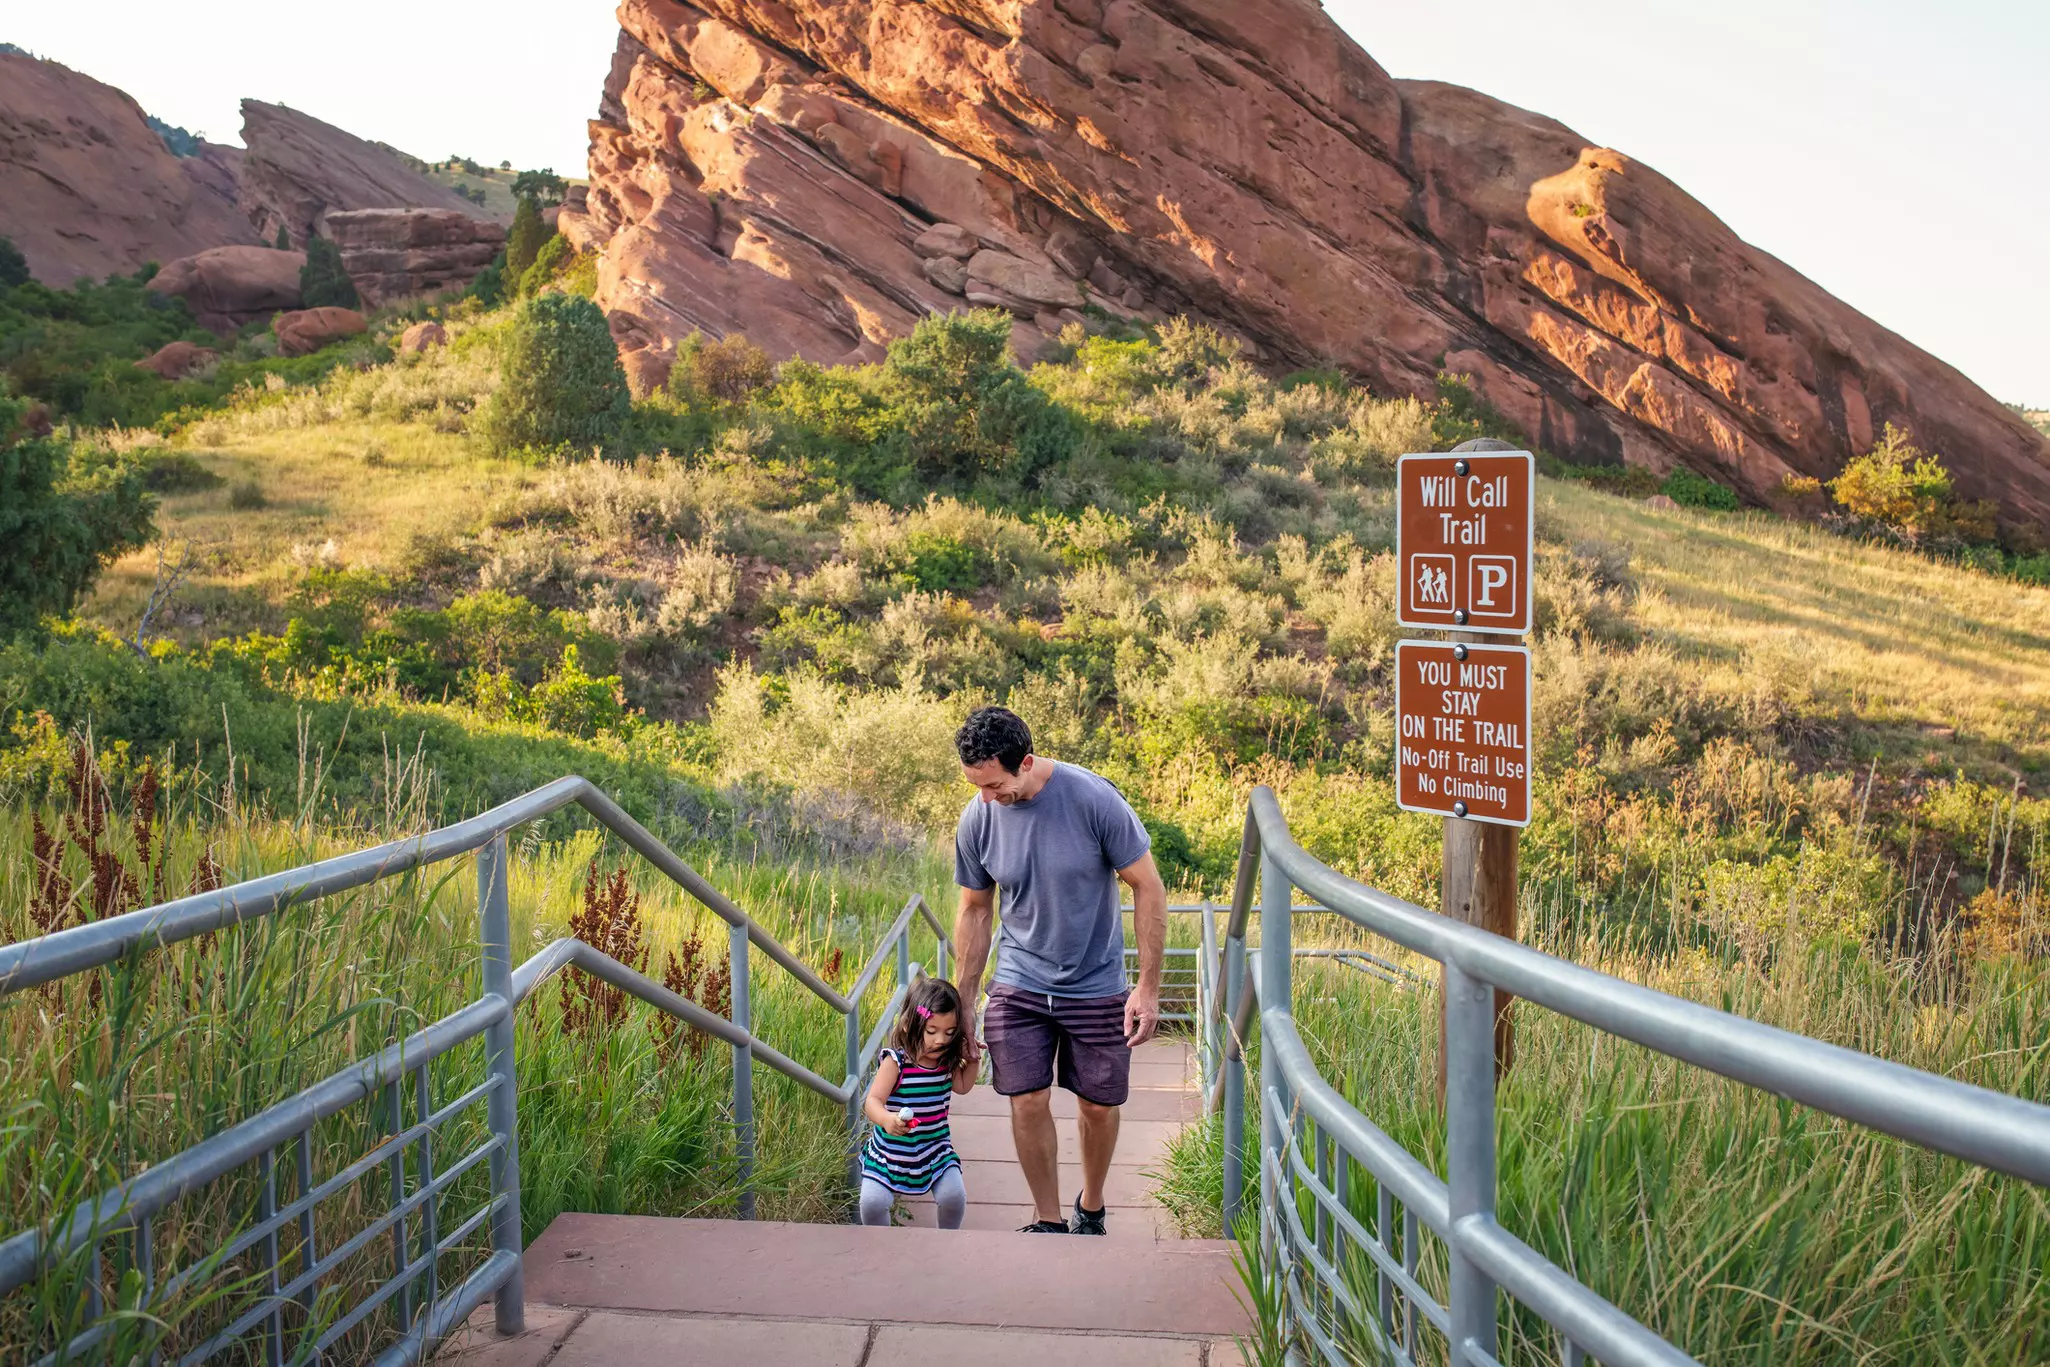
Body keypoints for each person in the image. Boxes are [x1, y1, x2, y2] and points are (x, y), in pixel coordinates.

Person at [950, 705, 1168, 1235]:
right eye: (976, 786)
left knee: (1097, 1107)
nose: (986, 798)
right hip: (1020, 981)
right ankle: (1048, 1220)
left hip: (1095, 985)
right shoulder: (978, 818)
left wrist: (1146, 987)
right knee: (1026, 1098)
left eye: (995, 785)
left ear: (1026, 762)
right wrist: (963, 1002)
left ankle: (1090, 1207)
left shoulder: (1094, 799)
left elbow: (1148, 886)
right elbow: (976, 909)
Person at [857, 976, 977, 1228]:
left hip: (935, 1150)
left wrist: (973, 1059)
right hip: (890, 1153)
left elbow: (963, 1086)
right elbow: (872, 1101)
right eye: (931, 1031)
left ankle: (947, 1238)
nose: (941, 1040)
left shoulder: (946, 1062)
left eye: (950, 1032)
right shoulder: (896, 1062)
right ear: (911, 1025)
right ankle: (879, 1245)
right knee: (872, 1203)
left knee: (954, 1196)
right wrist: (886, 1119)